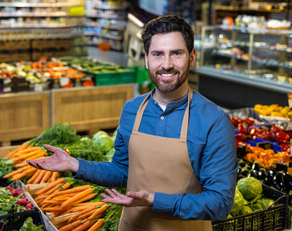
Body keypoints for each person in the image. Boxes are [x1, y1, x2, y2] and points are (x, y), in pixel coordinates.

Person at [27, 15, 238, 231]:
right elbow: (122, 171)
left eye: (176, 53)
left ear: (192, 57)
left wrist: (155, 201)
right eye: (157, 54)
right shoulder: (132, 110)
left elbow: (219, 204)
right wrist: (75, 165)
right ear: (146, 59)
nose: (166, 65)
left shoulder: (214, 121)